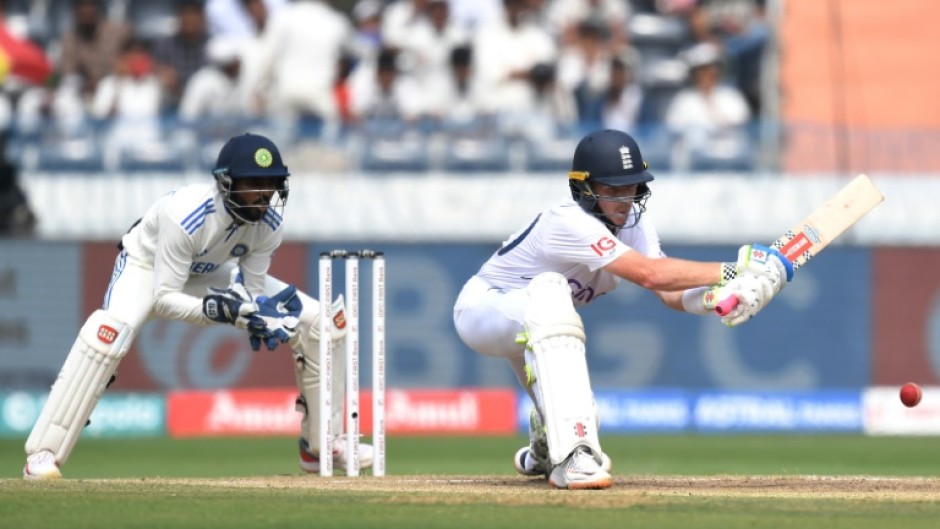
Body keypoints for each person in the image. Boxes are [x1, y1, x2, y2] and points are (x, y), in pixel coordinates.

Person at [452, 129, 791, 490]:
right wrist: (737, 267)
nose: (623, 200)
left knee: (581, 416)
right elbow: (651, 275)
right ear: (583, 188)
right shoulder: (566, 221)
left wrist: (721, 296)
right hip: (485, 309)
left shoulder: (634, 224)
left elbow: (671, 293)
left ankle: (546, 445)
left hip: (535, 324)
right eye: (611, 190)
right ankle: (572, 460)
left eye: (630, 188)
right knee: (550, 294)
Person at [23, 133, 372, 480]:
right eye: (254, 183)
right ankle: (43, 454)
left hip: (210, 272)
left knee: (322, 323)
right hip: (145, 268)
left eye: (272, 182)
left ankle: (321, 445)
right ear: (226, 184)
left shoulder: (268, 223)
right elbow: (164, 298)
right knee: (108, 334)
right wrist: (217, 310)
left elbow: (249, 291)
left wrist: (258, 313)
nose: (266, 193)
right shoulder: (186, 216)